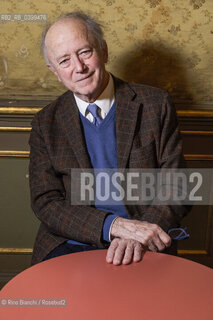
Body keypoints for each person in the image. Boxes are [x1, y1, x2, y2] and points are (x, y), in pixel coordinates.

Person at [29, 11, 189, 266]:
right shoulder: (45, 123)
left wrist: (139, 234)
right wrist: (113, 226)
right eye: (64, 61)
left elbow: (178, 186)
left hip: (144, 239)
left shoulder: (155, 105)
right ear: (55, 71)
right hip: (72, 241)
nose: (78, 68)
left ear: (104, 51)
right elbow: (46, 202)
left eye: (84, 52)